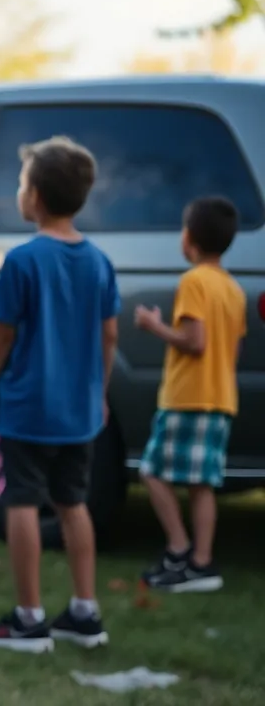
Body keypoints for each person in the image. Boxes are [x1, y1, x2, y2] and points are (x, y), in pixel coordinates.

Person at [0, 136, 119, 653]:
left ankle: (29, 619)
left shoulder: (23, 260)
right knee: (74, 503)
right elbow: (110, 335)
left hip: (28, 410)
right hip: (80, 412)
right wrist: (97, 392)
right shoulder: (99, 261)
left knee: (23, 503)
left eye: (21, 182)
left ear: (34, 196)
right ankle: (84, 612)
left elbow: (1, 335)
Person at [134, 196, 245, 593]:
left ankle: (180, 549)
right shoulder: (232, 289)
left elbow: (194, 341)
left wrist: (153, 325)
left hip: (187, 398)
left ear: (189, 238)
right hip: (220, 398)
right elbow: (232, 349)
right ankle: (201, 563)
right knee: (202, 484)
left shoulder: (194, 281)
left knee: (151, 471)